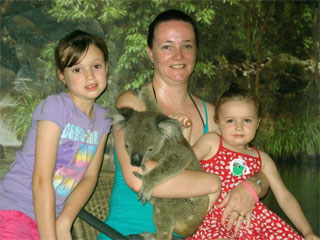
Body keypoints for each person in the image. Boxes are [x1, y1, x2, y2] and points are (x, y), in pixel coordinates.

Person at [98, 9, 269, 239]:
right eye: (167, 46)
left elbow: (257, 165)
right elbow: (137, 176)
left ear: (195, 52)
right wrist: (212, 182)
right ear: (150, 53)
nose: (178, 55)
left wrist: (254, 185)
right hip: (129, 231)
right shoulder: (133, 104)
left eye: (186, 46)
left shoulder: (213, 115)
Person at [0, 30, 111, 240]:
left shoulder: (103, 120)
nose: (89, 76)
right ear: (62, 76)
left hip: (51, 218)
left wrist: (65, 222)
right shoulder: (56, 107)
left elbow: (89, 177)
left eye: (96, 66)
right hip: (14, 209)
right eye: (77, 69)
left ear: (106, 67)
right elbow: (41, 180)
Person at [187, 84, 318, 239]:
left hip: (253, 222)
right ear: (217, 122)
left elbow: (284, 196)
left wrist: (307, 232)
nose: (239, 127)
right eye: (230, 121)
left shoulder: (263, 159)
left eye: (247, 120)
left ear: (258, 122)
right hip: (214, 220)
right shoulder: (212, 142)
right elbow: (183, 165)